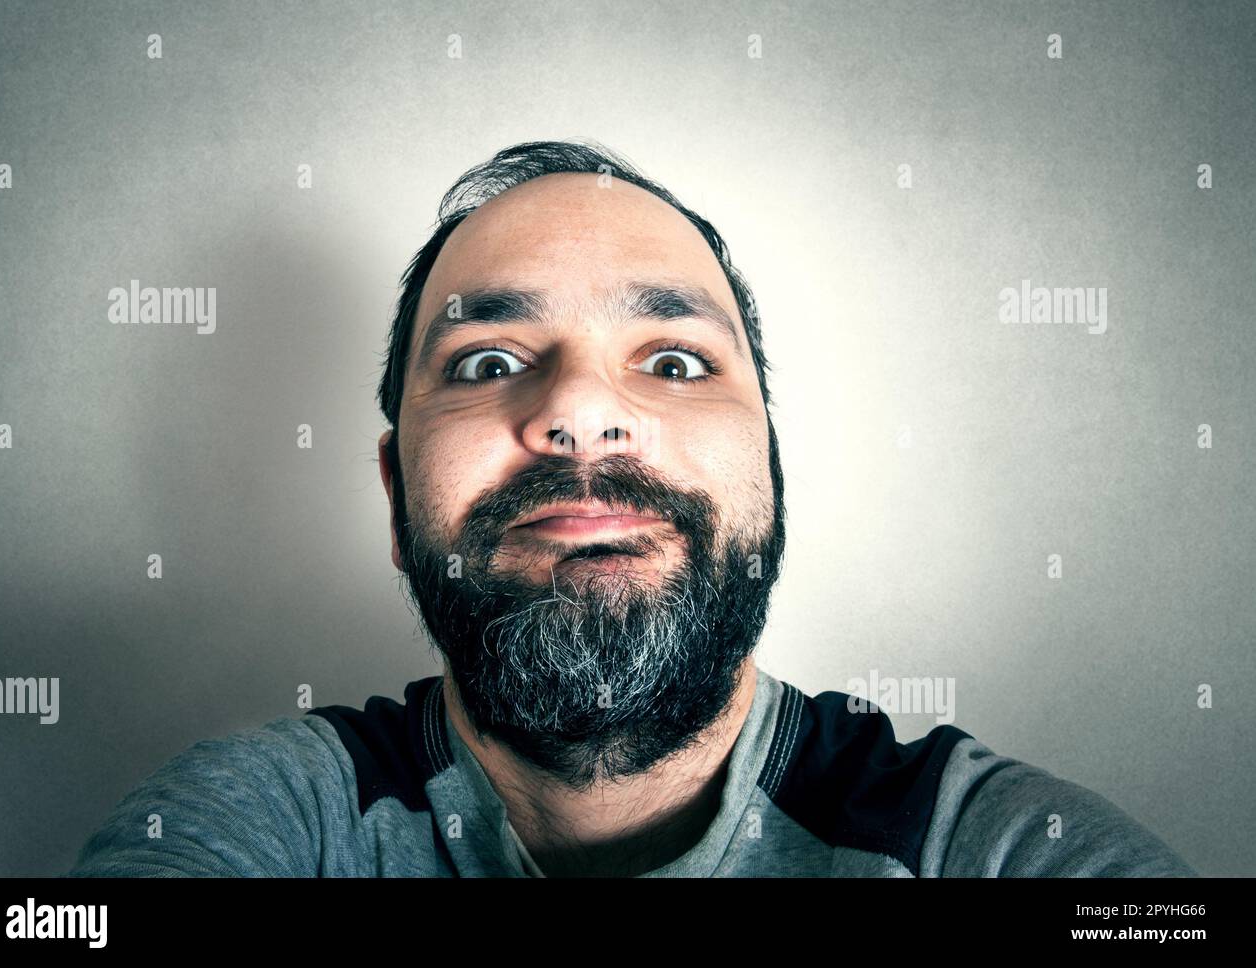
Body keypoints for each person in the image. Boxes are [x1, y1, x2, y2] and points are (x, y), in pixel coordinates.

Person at [67, 140, 1195, 878]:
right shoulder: (268, 817)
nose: (580, 414)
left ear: (769, 462)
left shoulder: (979, 844)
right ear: (392, 484)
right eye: (487, 357)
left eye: (671, 361)